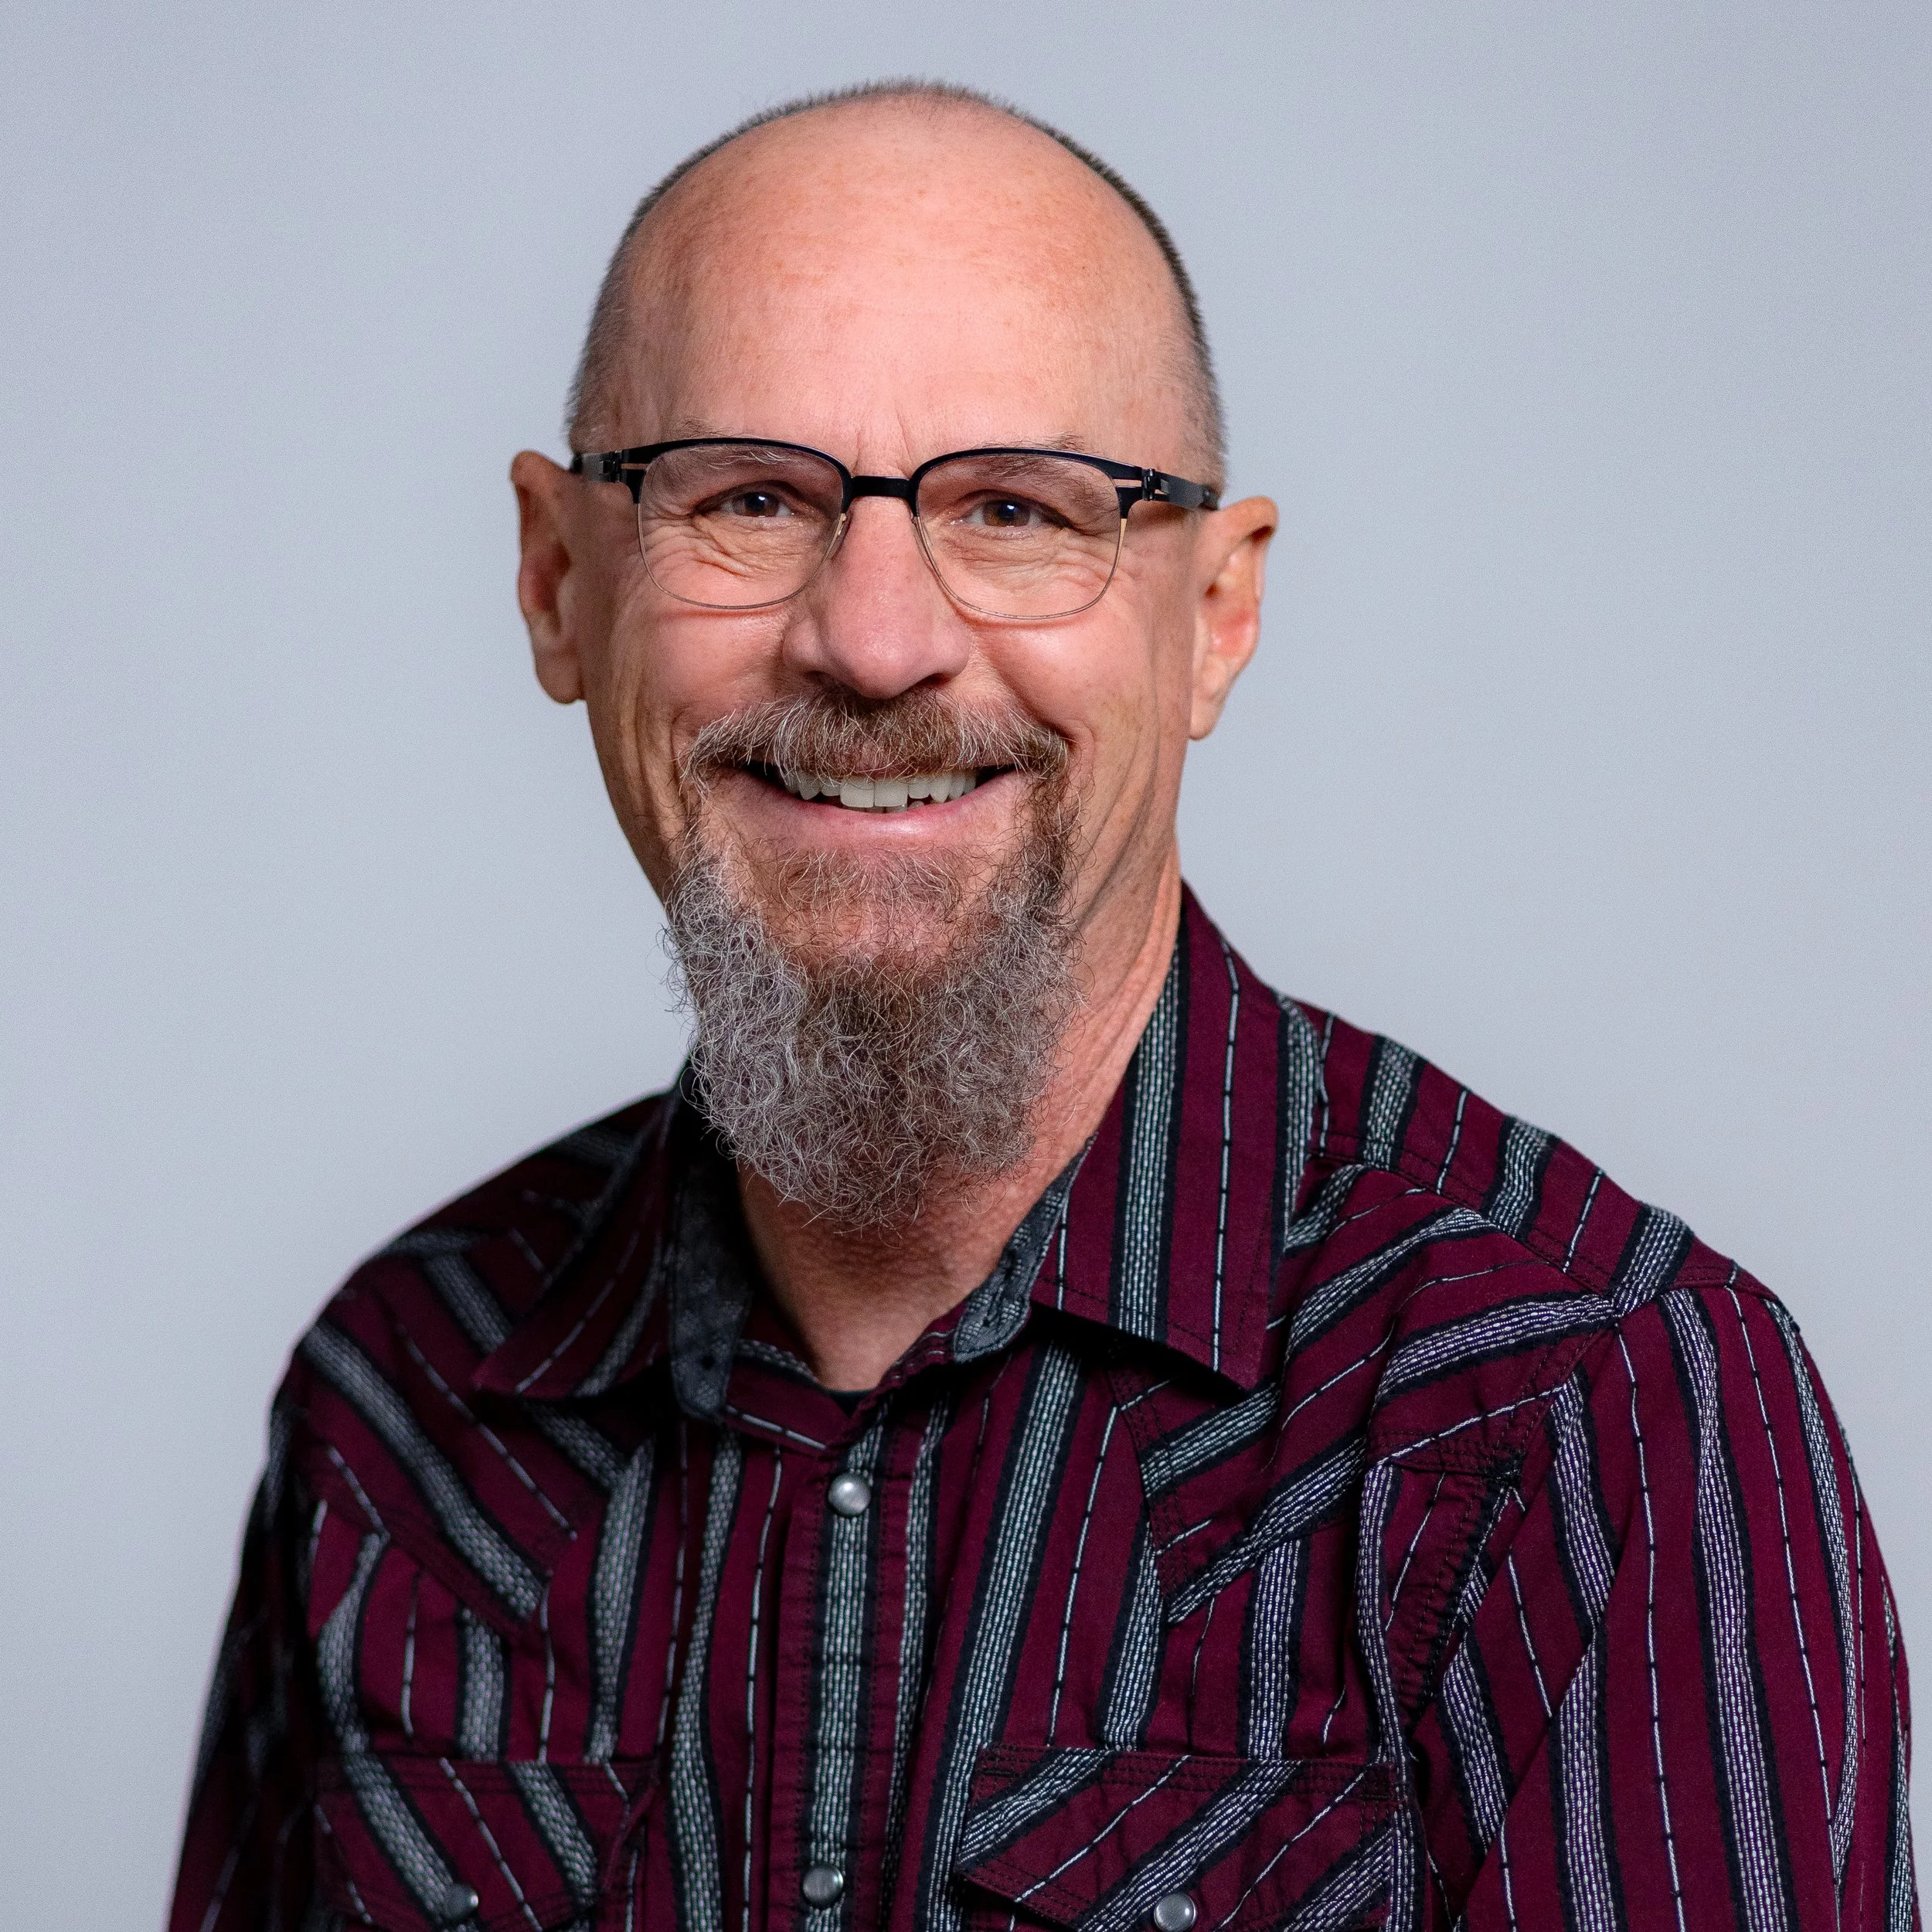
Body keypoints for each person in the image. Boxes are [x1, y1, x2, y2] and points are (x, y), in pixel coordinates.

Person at [168, 80, 1917, 1932]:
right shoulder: (395, 1400)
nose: (874, 636)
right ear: (554, 582)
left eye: (1016, 509)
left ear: (1215, 615)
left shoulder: (1587, 1406)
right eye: (748, 498)